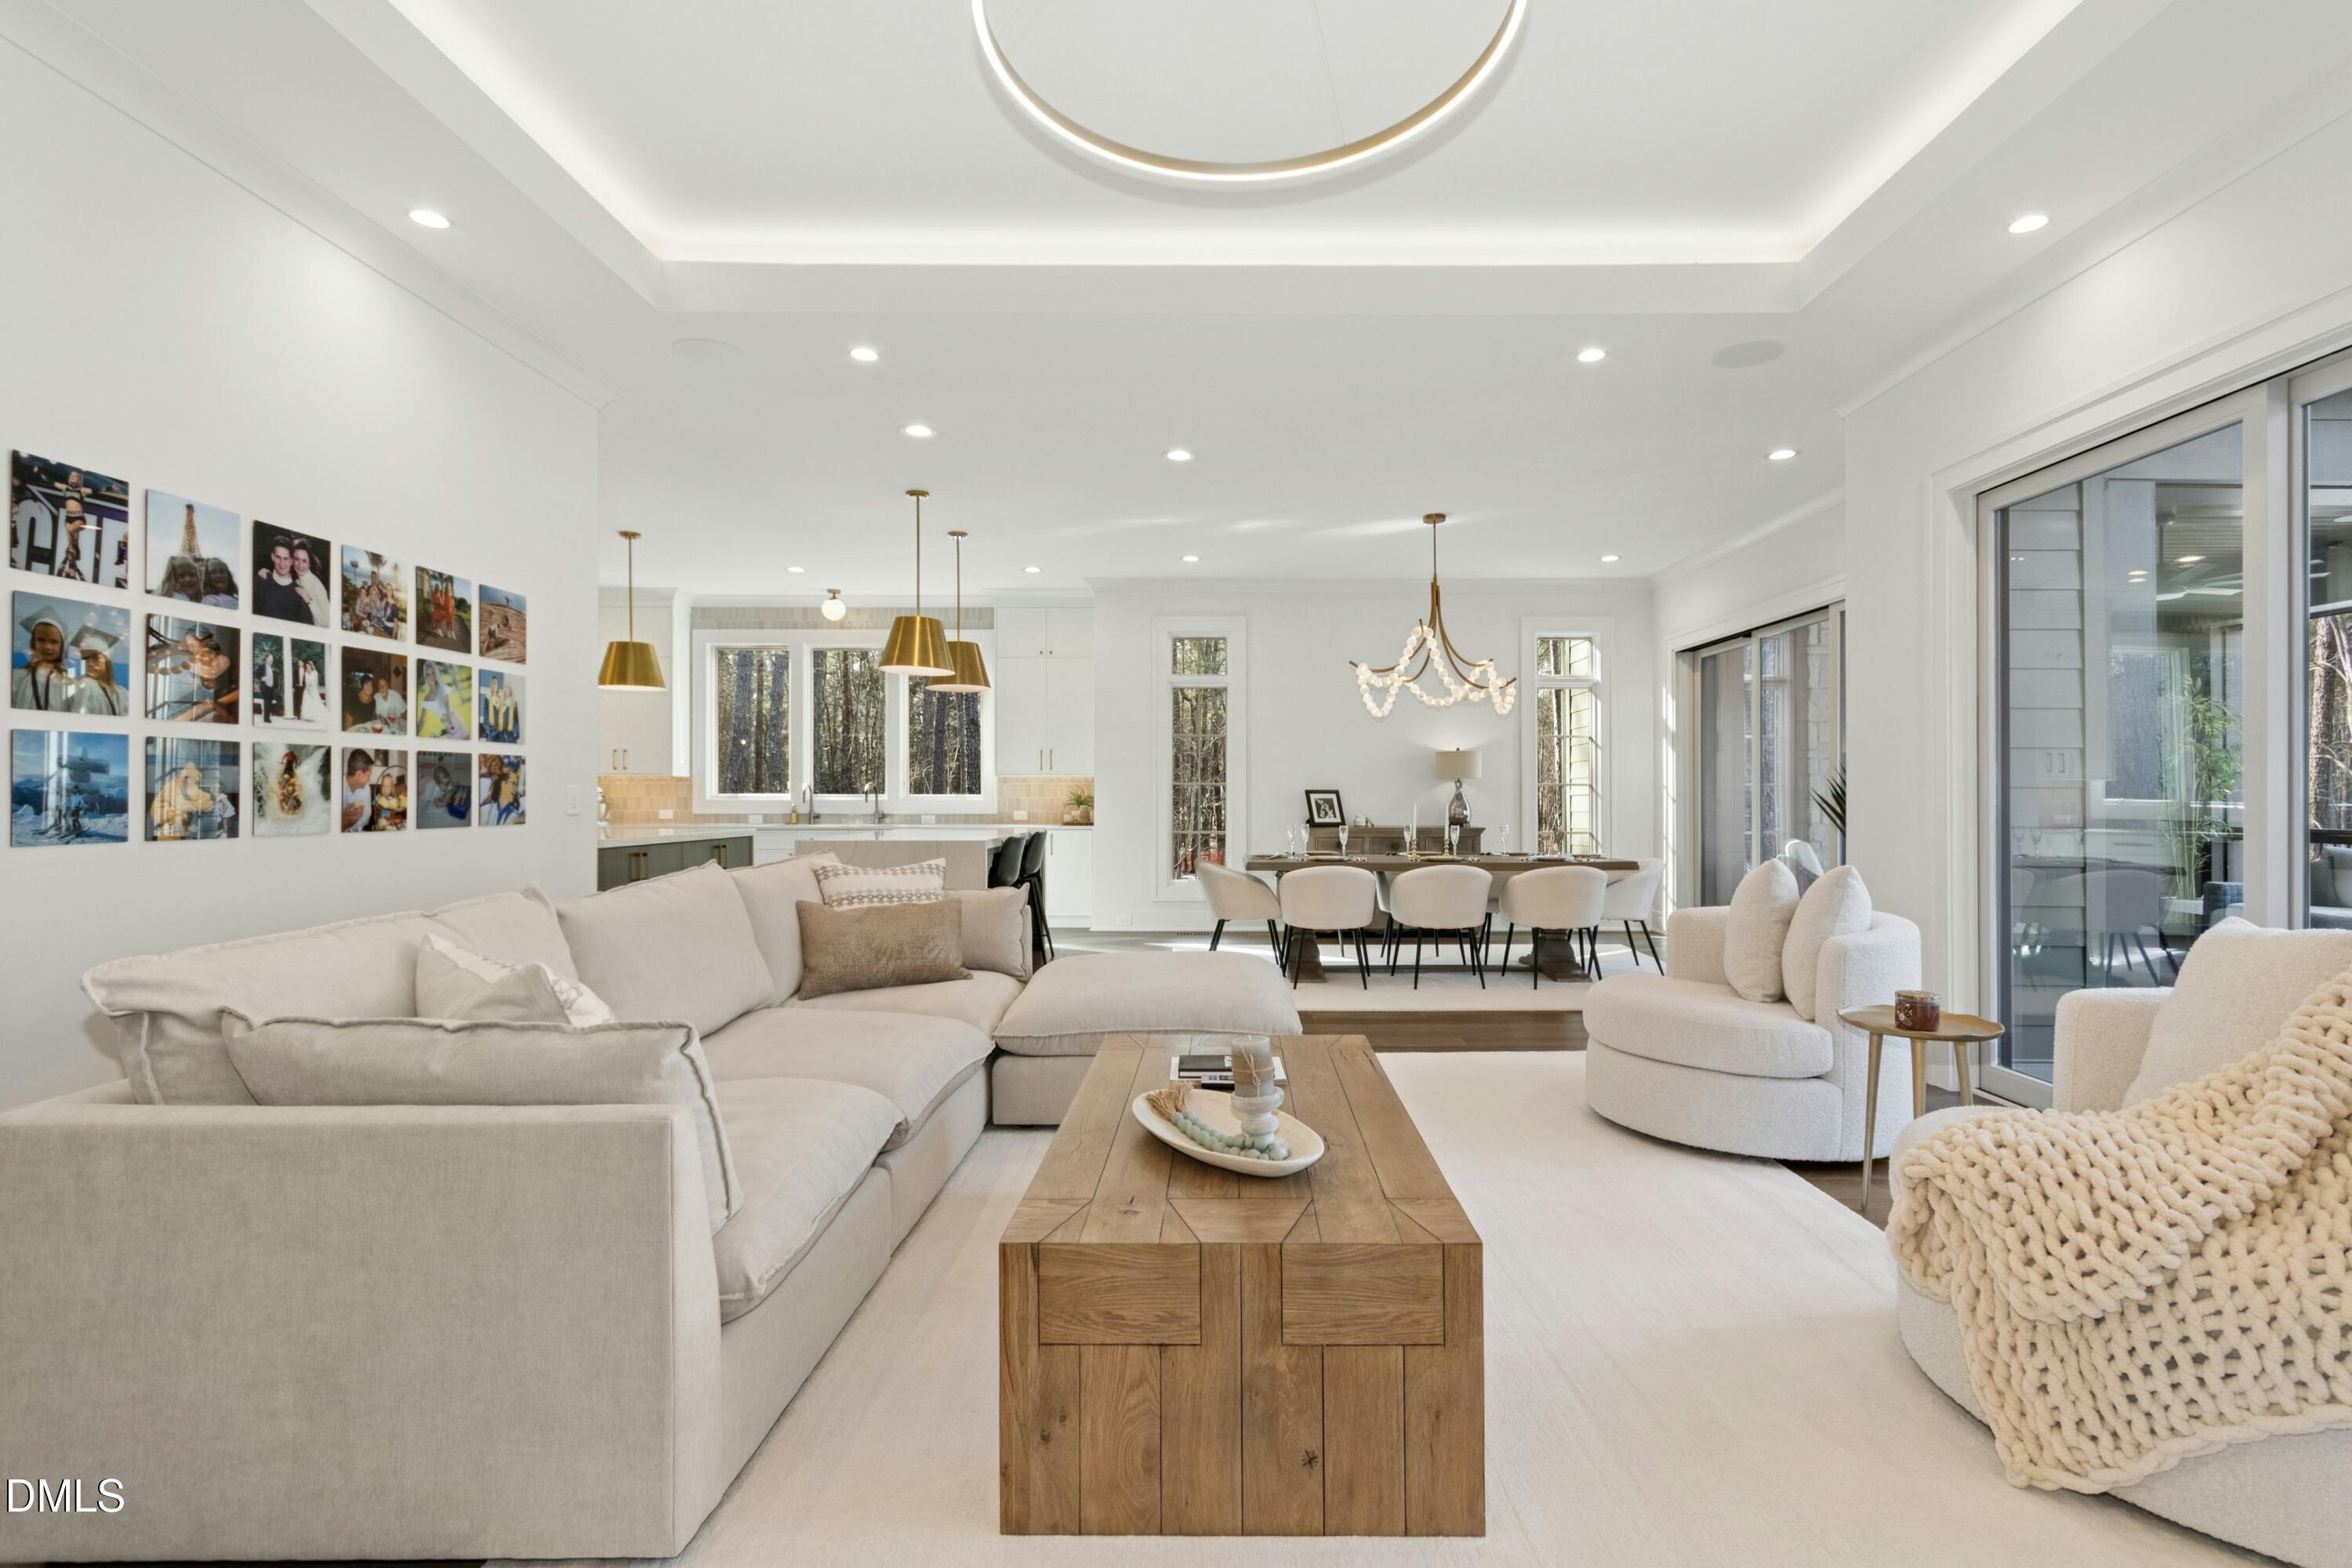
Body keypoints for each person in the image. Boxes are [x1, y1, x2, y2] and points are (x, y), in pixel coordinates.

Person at [13, 604, 73, 710]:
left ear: (61, 646)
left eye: (54, 642)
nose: (47, 647)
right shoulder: (18, 676)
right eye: (41, 640)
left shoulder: (67, 679)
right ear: (33, 642)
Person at [65, 625, 125, 717]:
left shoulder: (123, 693)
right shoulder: (85, 686)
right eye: (85, 659)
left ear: (106, 660)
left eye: (95, 657)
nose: (90, 664)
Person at [253, 538, 311, 623]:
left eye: (286, 559)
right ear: (272, 556)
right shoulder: (260, 581)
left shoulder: (299, 593)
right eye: (278, 557)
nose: (282, 563)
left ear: (291, 561)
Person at [289, 542, 332, 627]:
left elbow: (328, 623)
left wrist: (309, 601)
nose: (300, 565)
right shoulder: (297, 580)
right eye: (297, 559)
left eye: (304, 561)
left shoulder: (316, 585)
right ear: (292, 560)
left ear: (309, 564)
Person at [341, 750, 375, 832]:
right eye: (368, 775)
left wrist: (350, 829)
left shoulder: (366, 788)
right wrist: (343, 825)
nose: (369, 780)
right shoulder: (335, 785)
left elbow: (366, 815)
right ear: (359, 774)